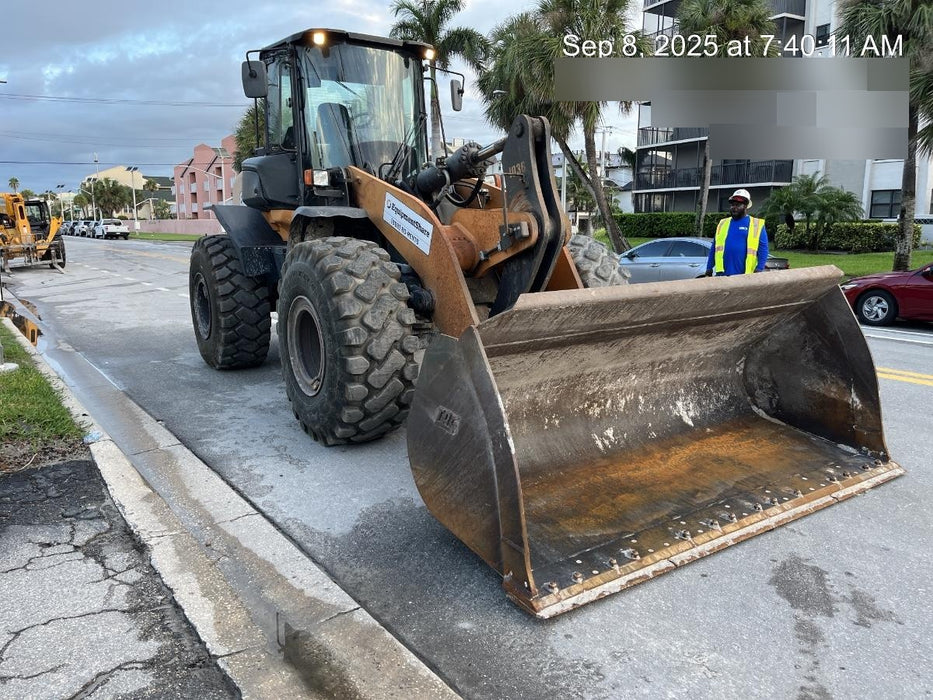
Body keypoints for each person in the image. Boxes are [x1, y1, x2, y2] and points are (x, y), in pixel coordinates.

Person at [705, 189, 769, 276]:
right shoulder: (723, 223)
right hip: (722, 274)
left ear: (745, 206)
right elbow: (714, 248)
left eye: (738, 205)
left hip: (745, 275)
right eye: (732, 205)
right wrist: (709, 268)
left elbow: (763, 249)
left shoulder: (756, 224)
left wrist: (759, 269)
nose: (734, 207)